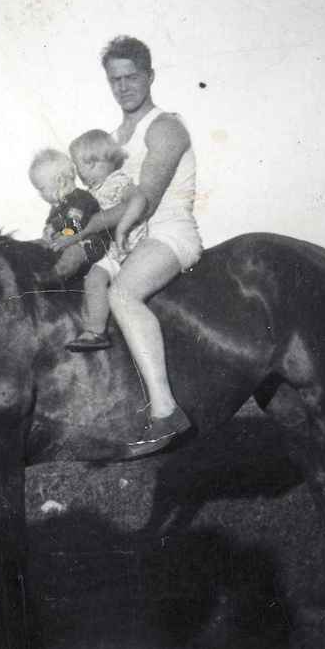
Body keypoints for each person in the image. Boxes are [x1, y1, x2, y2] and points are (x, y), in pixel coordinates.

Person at [53, 36, 202, 448]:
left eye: (131, 77)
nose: (122, 87)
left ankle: (166, 412)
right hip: (123, 243)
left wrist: (83, 231)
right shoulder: (110, 141)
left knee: (122, 293)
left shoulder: (166, 127)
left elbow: (145, 197)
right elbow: (88, 200)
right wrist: (62, 230)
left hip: (167, 233)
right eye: (114, 79)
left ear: (150, 76)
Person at [64, 129, 147, 352]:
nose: (78, 172)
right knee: (90, 278)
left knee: (99, 281)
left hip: (127, 248)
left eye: (79, 165)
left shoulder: (116, 182)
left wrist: (123, 225)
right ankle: (96, 329)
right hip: (108, 251)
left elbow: (139, 199)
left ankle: (97, 330)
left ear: (91, 162)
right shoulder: (92, 192)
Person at [28, 149, 105, 281]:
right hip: (64, 243)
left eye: (41, 189)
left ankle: (56, 275)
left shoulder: (81, 198)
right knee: (34, 246)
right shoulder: (57, 208)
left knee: (73, 253)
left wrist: (55, 226)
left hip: (88, 244)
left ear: (61, 182)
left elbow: (75, 221)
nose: (39, 194)